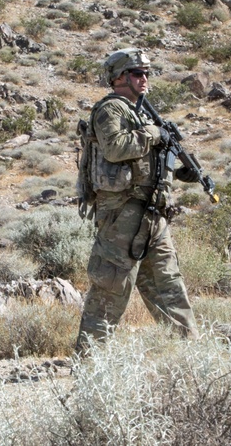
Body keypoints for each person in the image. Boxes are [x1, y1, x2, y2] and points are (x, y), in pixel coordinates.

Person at [75, 48, 200, 354]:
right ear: (118, 77)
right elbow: (116, 149)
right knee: (110, 290)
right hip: (122, 215)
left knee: (169, 287)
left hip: (153, 215)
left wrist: (181, 170)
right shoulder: (111, 109)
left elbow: (147, 163)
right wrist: (154, 134)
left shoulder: (140, 114)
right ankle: (89, 364)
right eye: (136, 73)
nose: (144, 79)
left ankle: (193, 358)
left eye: (146, 73)